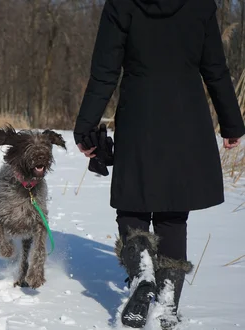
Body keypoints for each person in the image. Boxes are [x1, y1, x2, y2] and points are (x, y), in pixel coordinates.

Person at [73, 0, 245, 329]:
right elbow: (215, 68)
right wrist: (231, 124)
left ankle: (143, 273)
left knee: (132, 204)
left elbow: (105, 71)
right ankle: (167, 301)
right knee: (173, 213)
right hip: (187, 114)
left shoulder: (121, 5)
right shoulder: (200, 6)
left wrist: (86, 126)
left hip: (140, 112)